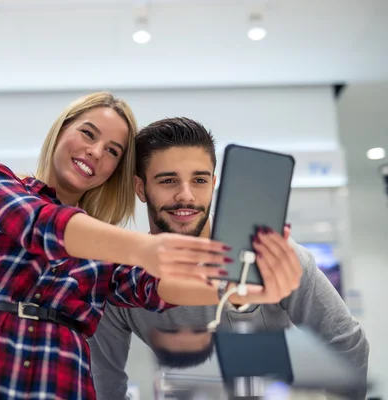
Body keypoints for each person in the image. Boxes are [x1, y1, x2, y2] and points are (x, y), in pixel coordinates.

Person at [0, 94, 301, 400]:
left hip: (59, 378)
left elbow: (154, 286)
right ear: (61, 130)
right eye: (88, 134)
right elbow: (39, 224)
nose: (95, 152)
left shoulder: (106, 247)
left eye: (112, 151)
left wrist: (241, 287)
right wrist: (143, 249)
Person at [88, 117, 369, 400]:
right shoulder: (123, 278)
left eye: (199, 180)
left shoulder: (271, 255)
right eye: (168, 180)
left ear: (213, 183)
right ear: (140, 188)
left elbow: (345, 341)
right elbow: (103, 378)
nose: (185, 196)